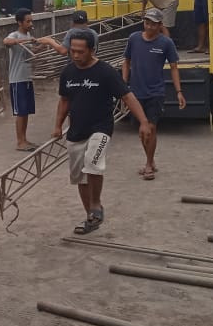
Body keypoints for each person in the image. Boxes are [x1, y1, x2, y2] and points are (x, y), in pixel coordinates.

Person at [53, 29, 153, 235]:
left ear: (91, 50)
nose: (76, 55)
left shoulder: (105, 72)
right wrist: (57, 125)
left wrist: (143, 121)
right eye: (73, 51)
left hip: (100, 128)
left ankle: (96, 204)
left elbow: (127, 96)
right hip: (76, 131)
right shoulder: (68, 73)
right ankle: (91, 215)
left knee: (92, 163)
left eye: (80, 51)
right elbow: (64, 101)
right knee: (80, 177)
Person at [122, 9, 186, 180]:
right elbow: (126, 62)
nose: (149, 26)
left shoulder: (166, 43)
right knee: (142, 131)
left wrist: (179, 91)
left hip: (155, 93)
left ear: (160, 25)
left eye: (153, 23)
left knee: (150, 128)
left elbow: (173, 67)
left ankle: (149, 164)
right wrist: (123, 85)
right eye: (147, 22)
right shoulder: (134, 39)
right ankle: (150, 160)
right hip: (135, 93)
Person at [4, 8, 40, 151]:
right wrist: (23, 40)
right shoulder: (15, 35)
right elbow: (6, 41)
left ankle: (24, 139)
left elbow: (30, 53)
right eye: (28, 21)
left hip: (27, 78)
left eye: (31, 20)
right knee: (20, 112)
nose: (30, 23)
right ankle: (20, 142)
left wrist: (44, 44)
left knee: (25, 111)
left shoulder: (28, 35)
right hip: (17, 79)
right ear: (20, 22)